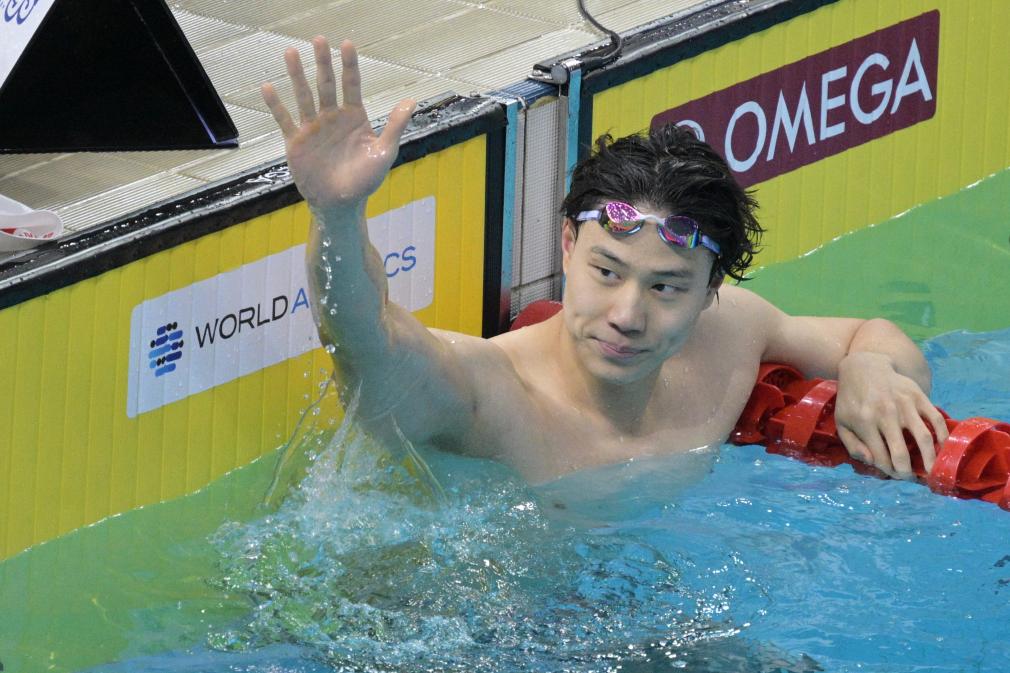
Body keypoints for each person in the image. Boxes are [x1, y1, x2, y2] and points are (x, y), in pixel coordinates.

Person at [262, 36, 949, 484]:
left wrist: (867, 367)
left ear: (711, 287)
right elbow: (366, 339)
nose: (627, 314)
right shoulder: (488, 394)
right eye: (607, 272)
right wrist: (338, 216)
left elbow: (871, 336)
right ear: (568, 245)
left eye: (666, 287)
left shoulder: (729, 334)